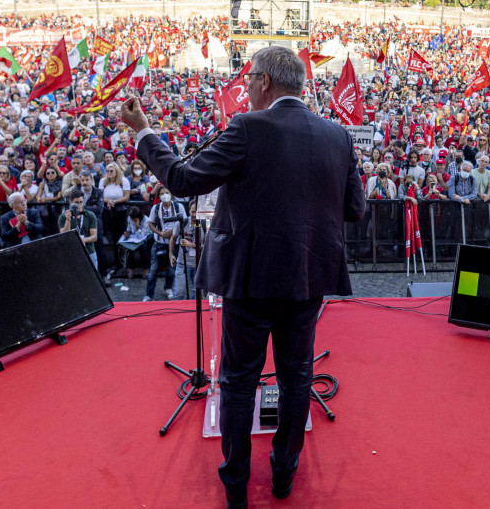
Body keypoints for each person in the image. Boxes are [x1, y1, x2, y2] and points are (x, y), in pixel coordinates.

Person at [120, 45, 365, 507]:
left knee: (237, 382)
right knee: (297, 379)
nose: (245, 84)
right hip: (309, 277)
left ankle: (235, 487)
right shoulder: (339, 135)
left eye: (249, 77)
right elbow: (354, 209)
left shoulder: (247, 128)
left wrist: (144, 132)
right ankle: (284, 475)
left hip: (249, 281)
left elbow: (185, 181)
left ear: (265, 83)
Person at [144, 186, 187, 301]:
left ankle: (168, 288)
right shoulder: (156, 208)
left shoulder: (179, 207)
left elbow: (185, 222)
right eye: (162, 194)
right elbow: (151, 223)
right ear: (159, 196)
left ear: (171, 194)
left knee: (171, 269)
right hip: (159, 241)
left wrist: (172, 231)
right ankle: (149, 294)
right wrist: (159, 232)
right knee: (153, 269)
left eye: (167, 192)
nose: (165, 195)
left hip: (175, 243)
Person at [57, 187, 99, 266]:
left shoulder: (90, 215)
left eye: (81, 202)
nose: (79, 205)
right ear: (70, 202)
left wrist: (81, 240)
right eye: (76, 203)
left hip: (89, 251)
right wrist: (68, 220)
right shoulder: (63, 217)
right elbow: (63, 236)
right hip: (71, 253)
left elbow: (94, 237)